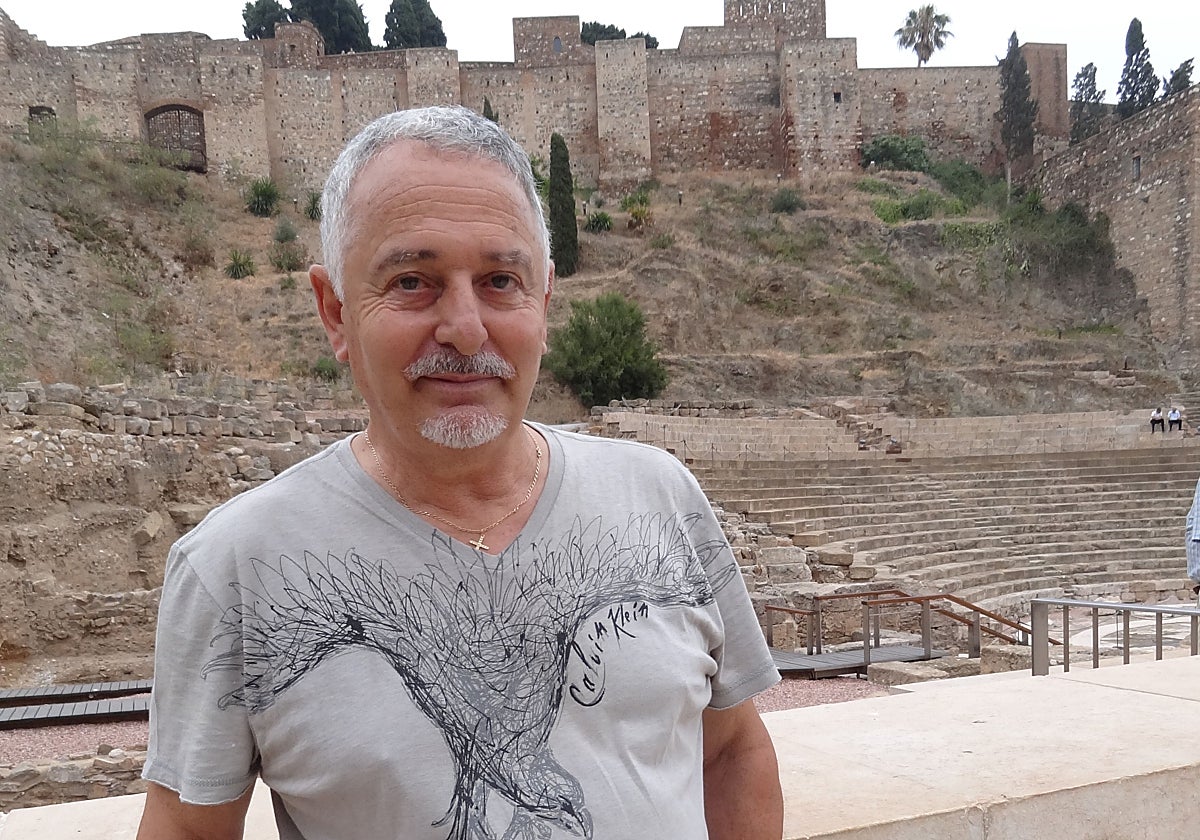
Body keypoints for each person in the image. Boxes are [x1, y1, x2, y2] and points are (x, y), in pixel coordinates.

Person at [136, 106, 783, 840]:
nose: (467, 329)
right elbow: (187, 831)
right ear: (334, 312)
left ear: (543, 306)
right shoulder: (233, 569)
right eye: (413, 281)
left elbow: (732, 750)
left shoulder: (662, 496)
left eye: (501, 280)